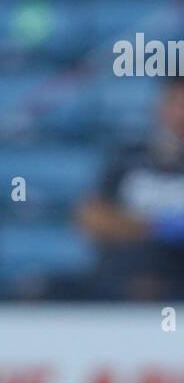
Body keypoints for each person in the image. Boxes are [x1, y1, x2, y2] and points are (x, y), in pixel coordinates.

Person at [77, 75, 184, 301]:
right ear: (160, 106)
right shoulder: (130, 156)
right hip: (122, 282)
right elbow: (92, 219)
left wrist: (131, 224)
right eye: (176, 103)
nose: (181, 114)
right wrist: (156, 226)